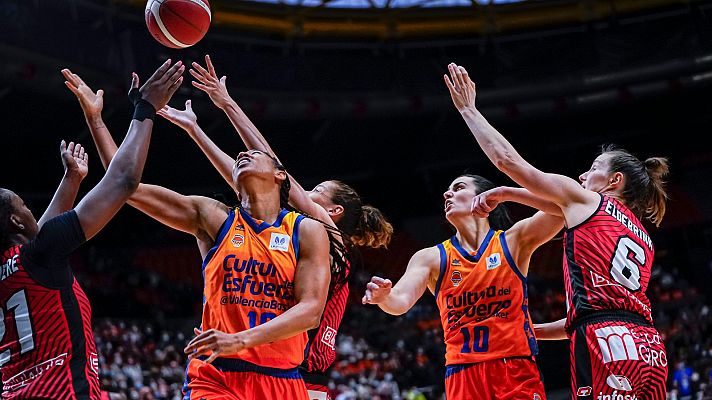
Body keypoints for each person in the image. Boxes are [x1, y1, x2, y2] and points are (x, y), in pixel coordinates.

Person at [67, 72, 332, 400]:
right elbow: (125, 187)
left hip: (281, 379)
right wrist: (97, 120)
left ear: (280, 175)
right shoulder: (213, 217)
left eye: (252, 154)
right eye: (237, 158)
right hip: (215, 375)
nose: (242, 155)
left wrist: (241, 339)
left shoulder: (305, 230)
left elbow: (311, 311)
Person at [158, 54, 393, 400]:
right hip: (291, 374)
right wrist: (196, 130)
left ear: (335, 210)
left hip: (291, 375)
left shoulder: (324, 231)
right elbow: (250, 183)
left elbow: (270, 164)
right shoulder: (313, 238)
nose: (304, 195)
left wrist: (228, 105)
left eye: (316, 193)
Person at [444, 62, 669, 399]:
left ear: (614, 181)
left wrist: (469, 110)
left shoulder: (587, 199)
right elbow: (592, 309)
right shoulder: (641, 233)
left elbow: (508, 160)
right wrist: (527, 330)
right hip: (648, 347)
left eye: (593, 169)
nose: (583, 176)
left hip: (605, 342)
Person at [0, 59, 184, 399]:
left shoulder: (21, 264)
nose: (30, 209)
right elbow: (123, 181)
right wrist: (146, 108)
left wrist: (72, 180)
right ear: (14, 221)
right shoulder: (38, 256)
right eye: (24, 205)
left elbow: (40, 238)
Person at [362, 171, 563, 399]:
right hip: (462, 373)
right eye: (448, 190)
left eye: (458, 188)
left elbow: (564, 206)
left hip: (513, 366)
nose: (447, 193)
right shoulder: (430, 257)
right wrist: (383, 297)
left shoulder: (513, 241)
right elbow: (399, 303)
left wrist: (506, 193)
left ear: (484, 197)